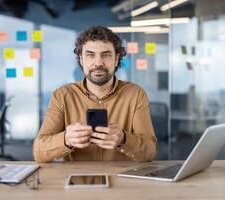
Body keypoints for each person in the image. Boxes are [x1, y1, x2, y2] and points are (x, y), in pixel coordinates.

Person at [33, 26, 157, 162]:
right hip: (77, 179)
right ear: (81, 59)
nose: (98, 63)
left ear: (116, 59)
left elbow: (150, 152)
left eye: (106, 55)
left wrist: (123, 139)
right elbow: (39, 152)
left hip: (122, 179)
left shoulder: (135, 94)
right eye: (90, 55)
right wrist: (66, 139)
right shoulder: (62, 96)